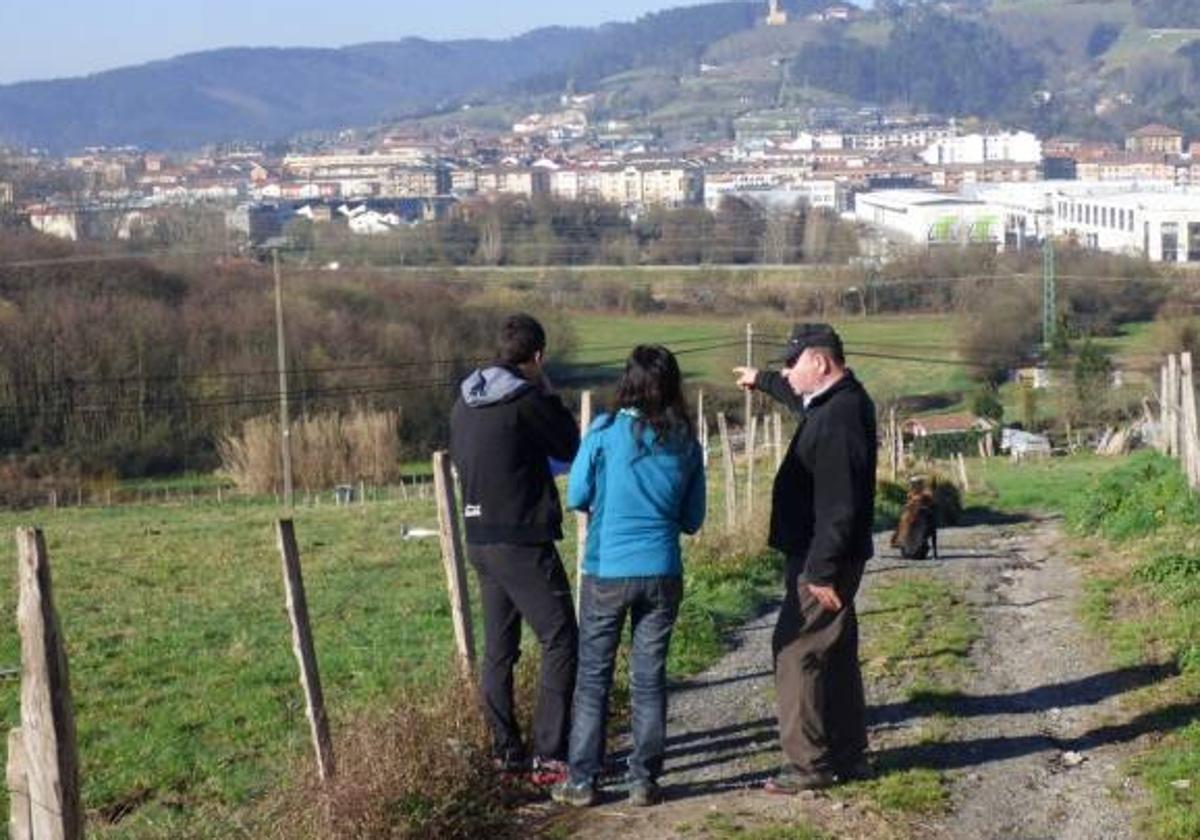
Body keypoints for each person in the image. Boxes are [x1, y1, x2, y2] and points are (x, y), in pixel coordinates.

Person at [552, 345, 706, 808]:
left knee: (594, 678)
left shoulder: (603, 432)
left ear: (629, 383)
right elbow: (693, 519)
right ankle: (643, 779)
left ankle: (582, 781)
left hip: (607, 571)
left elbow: (577, 493)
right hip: (662, 571)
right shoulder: (687, 441)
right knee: (649, 678)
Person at [733, 323, 876, 793]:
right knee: (833, 653)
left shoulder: (838, 419)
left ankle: (808, 765)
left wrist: (820, 570)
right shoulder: (838, 402)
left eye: (791, 364)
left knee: (795, 650)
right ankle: (848, 753)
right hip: (824, 552)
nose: (786, 372)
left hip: (823, 557)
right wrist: (762, 380)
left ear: (820, 362)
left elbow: (840, 503)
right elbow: (798, 399)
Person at [450, 313, 581, 784]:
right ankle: (549, 756)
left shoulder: (464, 400)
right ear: (538, 356)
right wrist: (547, 391)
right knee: (562, 637)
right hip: (522, 537)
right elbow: (569, 444)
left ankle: (506, 754)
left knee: (499, 651)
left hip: (478, 537)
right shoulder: (525, 398)